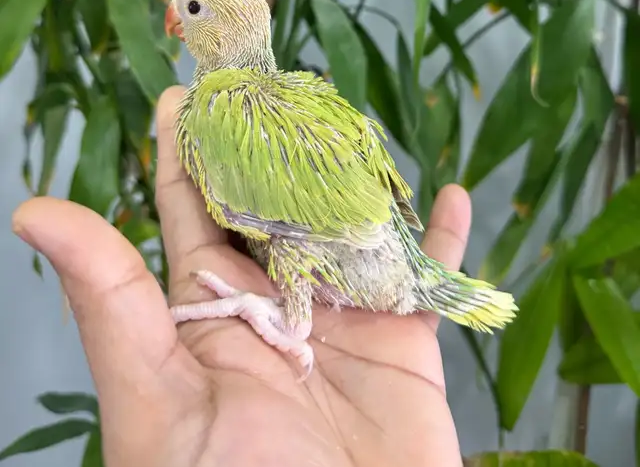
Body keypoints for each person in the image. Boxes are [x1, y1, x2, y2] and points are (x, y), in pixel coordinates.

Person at [12, 86, 468, 467]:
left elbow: (313, 218)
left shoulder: (229, 121)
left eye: (192, 10)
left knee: (281, 236)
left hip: (363, 250)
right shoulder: (248, 113)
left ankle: (293, 318)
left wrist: (278, 310)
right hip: (372, 248)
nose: (177, 18)